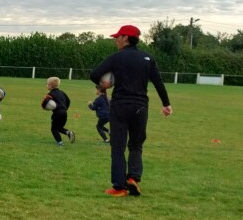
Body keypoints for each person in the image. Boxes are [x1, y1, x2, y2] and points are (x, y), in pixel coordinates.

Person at [90, 24, 172, 197]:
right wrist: (166, 104)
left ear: (126, 38)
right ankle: (133, 178)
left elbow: (94, 74)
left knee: (118, 146)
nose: (115, 41)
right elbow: (158, 82)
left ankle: (119, 187)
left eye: (117, 37)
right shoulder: (148, 58)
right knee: (136, 145)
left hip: (120, 105)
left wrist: (104, 84)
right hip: (141, 107)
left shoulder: (116, 58)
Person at [41, 77, 75, 146]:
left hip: (57, 113)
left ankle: (60, 143)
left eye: (47, 84)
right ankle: (68, 132)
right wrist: (65, 108)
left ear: (51, 85)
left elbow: (45, 101)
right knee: (59, 128)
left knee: (54, 129)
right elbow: (68, 100)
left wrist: (44, 107)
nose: (47, 86)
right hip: (64, 112)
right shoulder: (62, 92)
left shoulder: (50, 94)